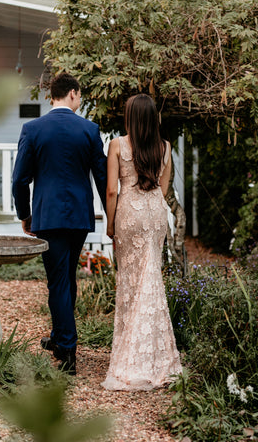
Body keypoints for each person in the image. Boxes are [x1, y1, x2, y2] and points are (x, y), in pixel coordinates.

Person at [12, 72, 107, 375]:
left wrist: (24, 215)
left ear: (52, 95)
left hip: (48, 217)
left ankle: (67, 350)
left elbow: (19, 180)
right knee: (66, 277)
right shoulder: (89, 129)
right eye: (81, 95)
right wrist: (112, 217)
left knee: (58, 280)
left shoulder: (33, 129)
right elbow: (103, 178)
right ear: (73, 94)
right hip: (79, 216)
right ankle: (59, 339)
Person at [101, 94, 182, 390]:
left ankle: (132, 356)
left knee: (132, 284)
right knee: (152, 279)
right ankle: (157, 357)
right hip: (155, 214)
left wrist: (110, 225)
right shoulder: (165, 147)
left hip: (129, 215)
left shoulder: (117, 145)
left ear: (130, 118)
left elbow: (112, 190)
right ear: (153, 118)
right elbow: (163, 187)